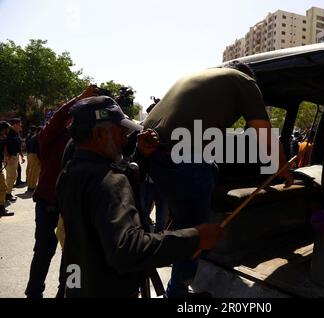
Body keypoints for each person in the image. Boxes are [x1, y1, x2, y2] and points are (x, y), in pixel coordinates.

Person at [142, 61, 294, 298]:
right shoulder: (245, 81)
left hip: (149, 150)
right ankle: (177, 294)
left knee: (185, 218)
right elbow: (264, 134)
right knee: (196, 232)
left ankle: (173, 282)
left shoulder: (201, 77)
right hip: (182, 155)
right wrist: (284, 169)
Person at [56, 96, 222, 298]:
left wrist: (140, 156)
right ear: (99, 134)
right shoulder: (109, 182)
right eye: (120, 132)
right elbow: (128, 250)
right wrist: (195, 237)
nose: (125, 139)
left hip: (79, 285)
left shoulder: (69, 173)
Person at [25, 86, 98, 298]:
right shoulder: (49, 137)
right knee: (44, 251)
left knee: (73, 253)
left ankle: (64, 292)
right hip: (48, 201)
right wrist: (79, 99)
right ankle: (34, 292)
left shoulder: (83, 140)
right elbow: (57, 120)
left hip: (73, 204)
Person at [4, 118, 23, 202]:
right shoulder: (8, 133)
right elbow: (5, 146)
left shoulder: (16, 133)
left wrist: (21, 155)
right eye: (19, 124)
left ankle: (7, 193)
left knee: (12, 176)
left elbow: (17, 145)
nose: (21, 126)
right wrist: (7, 157)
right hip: (10, 157)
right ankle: (6, 194)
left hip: (15, 156)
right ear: (15, 125)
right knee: (11, 176)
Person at [0, 121, 14, 217]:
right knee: (2, 187)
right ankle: (1, 209)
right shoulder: (2, 139)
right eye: (7, 129)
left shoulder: (3, 139)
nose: (8, 131)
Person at [26, 126, 42, 192]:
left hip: (30, 154)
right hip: (35, 155)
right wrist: (40, 158)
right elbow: (38, 148)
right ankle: (32, 187)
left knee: (31, 172)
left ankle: (30, 186)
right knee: (35, 173)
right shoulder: (38, 137)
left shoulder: (33, 136)